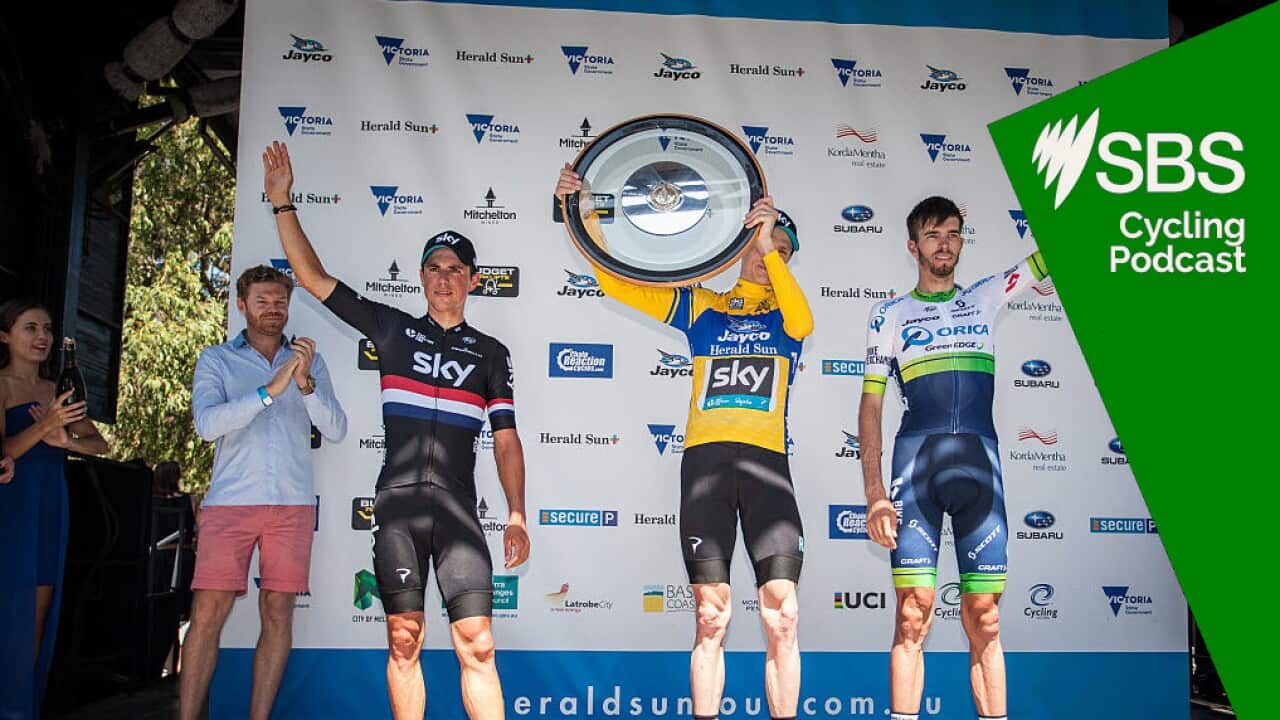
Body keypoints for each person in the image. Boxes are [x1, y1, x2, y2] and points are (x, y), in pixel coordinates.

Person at [263, 140, 531, 720]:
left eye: (455, 269)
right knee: (404, 639)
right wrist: (283, 203)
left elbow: (505, 437)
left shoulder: (491, 353)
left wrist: (515, 512)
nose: (443, 278)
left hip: (459, 511)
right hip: (399, 509)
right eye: (433, 269)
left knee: (477, 646)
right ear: (420, 277)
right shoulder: (390, 330)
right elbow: (311, 278)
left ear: (473, 280)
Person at [555, 164, 814, 720]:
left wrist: (770, 245)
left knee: (782, 613)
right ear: (740, 242)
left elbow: (804, 319)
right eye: (762, 244)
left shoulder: (788, 319)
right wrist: (583, 213)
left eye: (784, 250)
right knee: (711, 614)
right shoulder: (704, 307)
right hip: (706, 468)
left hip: (768, 469)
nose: (770, 256)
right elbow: (614, 280)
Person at [859, 196, 1050, 720]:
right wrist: (875, 493)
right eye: (933, 235)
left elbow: (1048, 256)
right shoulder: (889, 315)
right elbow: (871, 404)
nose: (945, 244)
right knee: (911, 615)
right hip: (915, 468)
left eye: (953, 234)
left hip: (980, 468)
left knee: (984, 616)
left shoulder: (987, 296)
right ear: (912, 245)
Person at [180, 266, 348, 720]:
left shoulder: (308, 360)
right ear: (241, 305)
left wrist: (305, 383)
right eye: (262, 301)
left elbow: (334, 429)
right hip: (229, 504)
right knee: (208, 615)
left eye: (280, 302)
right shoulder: (216, 359)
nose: (273, 309)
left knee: (278, 614)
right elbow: (207, 425)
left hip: (291, 505)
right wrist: (269, 392)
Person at [0, 298, 109, 719]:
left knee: (37, 615)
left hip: (49, 502)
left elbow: (98, 444)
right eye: (30, 328)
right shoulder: (3, 385)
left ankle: (19, 709)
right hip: (11, 504)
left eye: (46, 328)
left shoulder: (58, 391)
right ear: (5, 335)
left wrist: (68, 442)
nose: (42, 336)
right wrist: (45, 426)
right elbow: (5, 452)